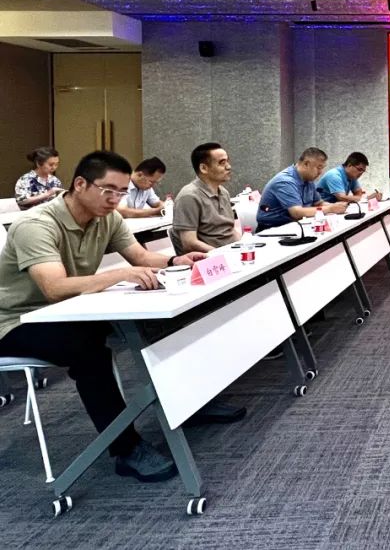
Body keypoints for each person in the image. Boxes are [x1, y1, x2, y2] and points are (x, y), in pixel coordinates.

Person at [0, 151, 228, 483]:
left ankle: (186, 405)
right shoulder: (35, 225)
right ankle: (126, 449)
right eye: (108, 190)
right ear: (80, 184)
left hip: (72, 309)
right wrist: (119, 274)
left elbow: (141, 257)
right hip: (19, 321)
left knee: (158, 321)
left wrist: (175, 261)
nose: (115, 199)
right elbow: (54, 288)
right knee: (87, 349)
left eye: (121, 192)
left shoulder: (107, 218)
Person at [170, 143, 240, 254]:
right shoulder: (189, 196)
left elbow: (230, 231)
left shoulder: (224, 192)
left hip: (231, 252)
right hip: (212, 258)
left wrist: (243, 245)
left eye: (228, 161)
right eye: (222, 163)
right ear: (203, 168)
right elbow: (189, 243)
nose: (228, 167)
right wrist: (223, 254)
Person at [256, 147, 347, 231]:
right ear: (306, 164)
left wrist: (337, 206)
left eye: (322, 168)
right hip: (272, 230)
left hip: (295, 226)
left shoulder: (308, 179)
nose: (320, 172)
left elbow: (319, 203)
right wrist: (330, 208)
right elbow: (297, 213)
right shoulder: (286, 181)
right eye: (319, 168)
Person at [316, 151, 382, 204]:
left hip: (334, 208)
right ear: (349, 165)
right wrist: (366, 198)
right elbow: (342, 198)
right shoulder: (334, 175)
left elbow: (358, 193)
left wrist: (364, 198)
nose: (361, 173)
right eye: (359, 169)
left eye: (363, 171)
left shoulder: (352, 176)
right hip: (320, 210)